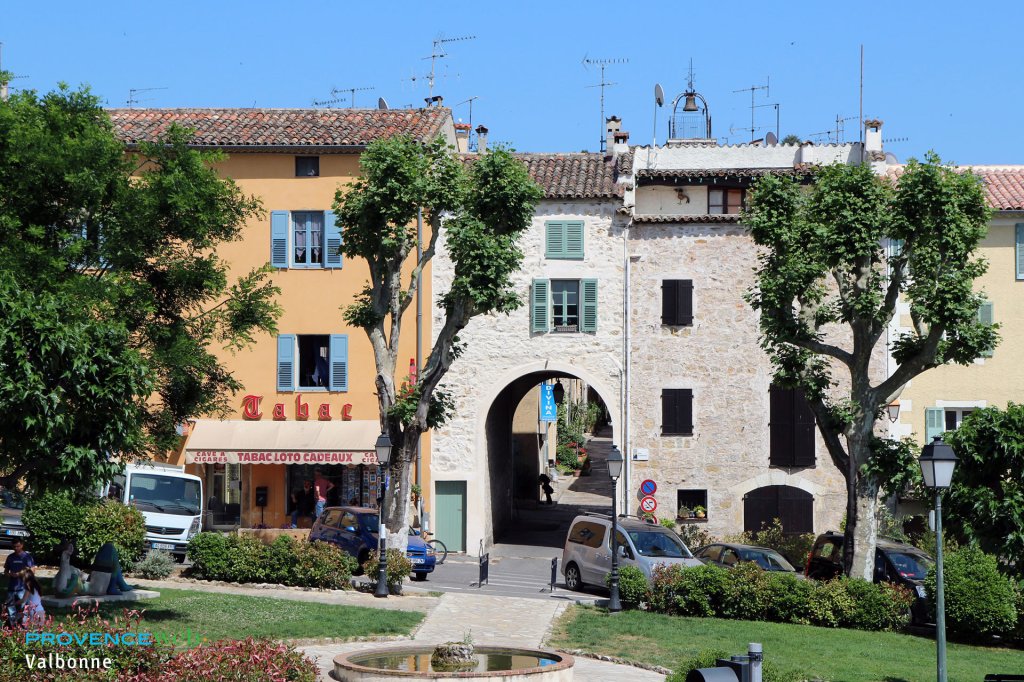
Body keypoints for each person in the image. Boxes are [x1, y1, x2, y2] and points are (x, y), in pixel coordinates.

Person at [4, 538, 34, 626]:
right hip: (12, 587)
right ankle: (12, 626)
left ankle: (23, 626)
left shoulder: (27, 557)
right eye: (14, 546)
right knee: (10, 607)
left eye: (18, 546)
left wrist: (20, 574)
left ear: (22, 545)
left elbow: (32, 571)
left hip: (23, 587)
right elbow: (6, 571)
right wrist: (10, 574)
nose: (16, 548)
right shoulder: (10, 557)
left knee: (23, 608)